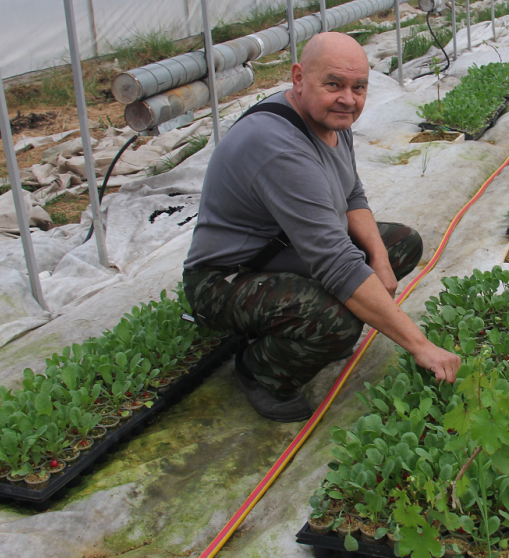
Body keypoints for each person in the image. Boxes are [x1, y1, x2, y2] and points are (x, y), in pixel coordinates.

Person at [182, 32, 461, 422]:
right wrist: (420, 345)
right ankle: (258, 370)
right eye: (333, 84)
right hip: (225, 280)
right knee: (336, 320)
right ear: (298, 78)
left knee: (400, 243)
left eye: (358, 87)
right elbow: (337, 263)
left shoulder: (331, 118)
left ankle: (297, 328)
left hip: (284, 254)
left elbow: (352, 197)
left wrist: (379, 261)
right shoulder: (278, 147)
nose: (348, 98)